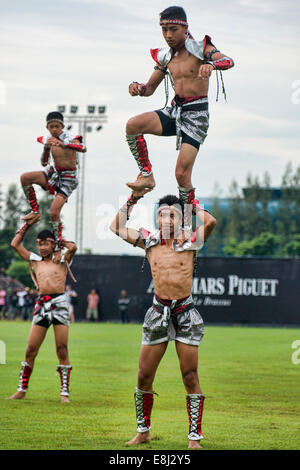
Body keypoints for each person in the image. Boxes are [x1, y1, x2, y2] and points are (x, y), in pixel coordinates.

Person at [110, 187, 216, 449]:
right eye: (161, 214)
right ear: (156, 218)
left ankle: (194, 438)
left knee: (190, 376)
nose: (166, 219)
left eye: (172, 215)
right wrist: (133, 198)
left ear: (181, 218)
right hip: (158, 313)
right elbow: (116, 227)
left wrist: (192, 202)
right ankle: (143, 432)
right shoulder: (149, 240)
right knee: (144, 377)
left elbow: (211, 221)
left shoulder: (191, 240)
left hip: (186, 313)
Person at [126, 6, 234, 225]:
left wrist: (211, 65)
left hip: (196, 116)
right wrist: (137, 87)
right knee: (132, 125)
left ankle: (186, 222)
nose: (168, 35)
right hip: (175, 110)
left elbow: (229, 61)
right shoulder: (165, 56)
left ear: (185, 28)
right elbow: (149, 89)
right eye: (164, 30)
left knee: (181, 175)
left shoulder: (201, 48)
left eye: (173, 29)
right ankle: (146, 174)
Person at [8, 219, 77, 403]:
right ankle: (21, 389)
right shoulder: (35, 260)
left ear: (52, 243)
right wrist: (27, 225)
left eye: (46, 243)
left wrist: (59, 243)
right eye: (40, 244)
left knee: (62, 349)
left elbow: (73, 247)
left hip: (60, 304)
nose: (42, 247)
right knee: (30, 349)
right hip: (41, 304)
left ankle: (64, 393)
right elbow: (15, 244)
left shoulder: (61, 259)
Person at [20, 111, 86, 262]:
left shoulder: (70, 138)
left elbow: (83, 148)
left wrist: (63, 144)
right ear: (47, 127)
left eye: (57, 126)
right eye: (51, 127)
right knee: (25, 178)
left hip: (68, 178)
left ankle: (57, 248)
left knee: (54, 213)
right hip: (53, 173)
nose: (54, 129)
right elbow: (44, 162)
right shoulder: (49, 140)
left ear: (62, 126)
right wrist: (46, 148)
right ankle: (35, 211)